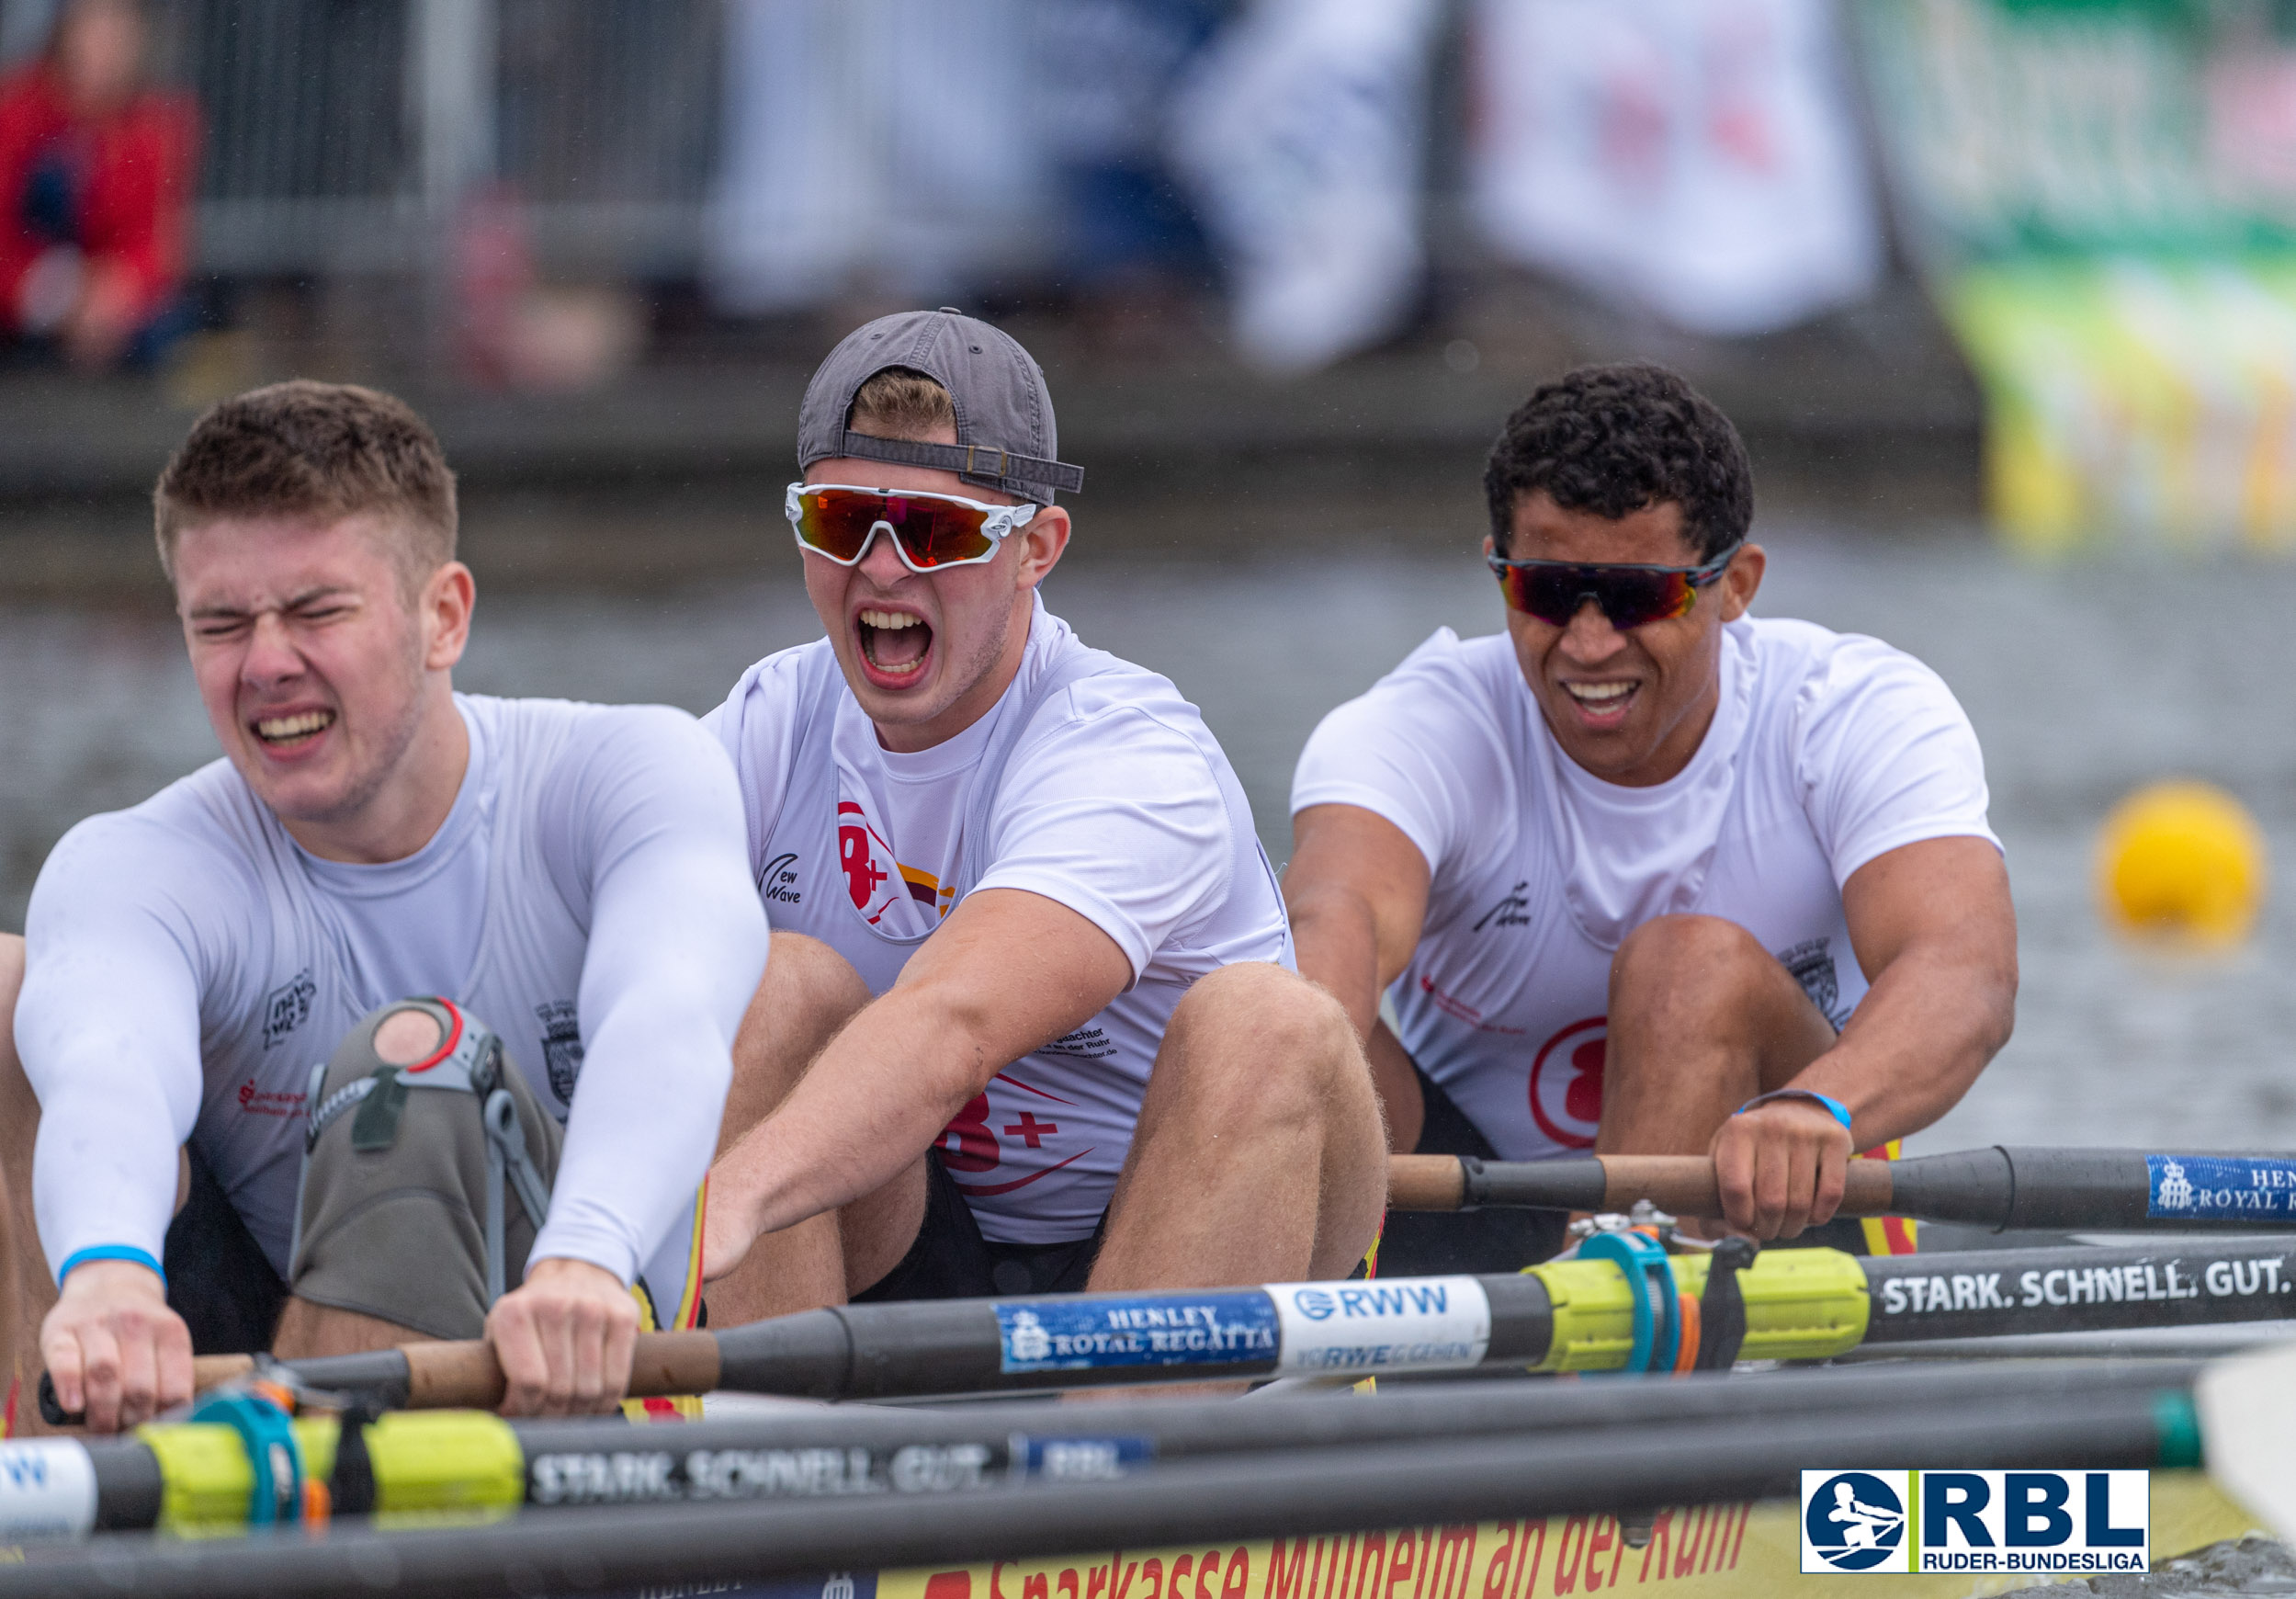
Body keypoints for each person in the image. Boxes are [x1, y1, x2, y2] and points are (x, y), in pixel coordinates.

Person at [0, 380, 768, 1434]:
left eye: (317, 612)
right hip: (274, 1335)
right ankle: (72, 1466)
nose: (266, 664)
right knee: (11, 993)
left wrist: (587, 1256)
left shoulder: (626, 770)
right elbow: (106, 1071)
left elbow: (668, 1019)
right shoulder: (139, 863)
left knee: (417, 1066)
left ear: (442, 616)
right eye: (221, 624)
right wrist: (109, 1277)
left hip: (594, 1325)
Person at [699, 310, 1385, 1317]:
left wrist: (728, 1204)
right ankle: (778, 1451)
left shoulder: (1127, 752)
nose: (884, 571)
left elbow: (954, 1023)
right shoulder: (769, 720)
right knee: (775, 985)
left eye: (935, 531)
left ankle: (1127, 1460)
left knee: (1268, 1022)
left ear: (1037, 548)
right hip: (920, 1232)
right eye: (846, 522)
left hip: (1178, 1226)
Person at [1284, 362, 2015, 1272]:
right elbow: (1333, 919)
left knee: (1687, 966)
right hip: (1480, 1204)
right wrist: (1278, 1070)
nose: (1589, 645)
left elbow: (1964, 974)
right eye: (1547, 591)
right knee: (1282, 1012)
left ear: (1736, 585)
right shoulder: (1414, 727)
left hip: (1773, 1189)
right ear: (1498, 572)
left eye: (1637, 598)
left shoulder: (1850, 710)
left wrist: (1814, 1108)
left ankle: (1603, 1361)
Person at [0, 0, 198, 370]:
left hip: (103, 290)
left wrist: (116, 290)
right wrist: (50, 295)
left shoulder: (157, 125)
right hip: (22, 283)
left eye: (116, 35)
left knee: (171, 331)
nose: (103, 47)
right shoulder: (16, 109)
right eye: (92, 30)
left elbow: (158, 238)